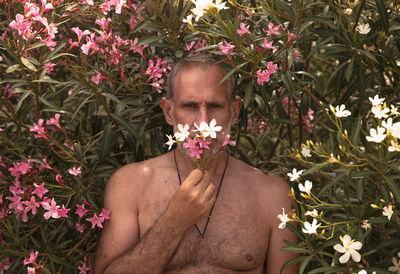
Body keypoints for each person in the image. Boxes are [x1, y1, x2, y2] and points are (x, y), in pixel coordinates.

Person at [94, 55, 298, 273]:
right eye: (190, 106)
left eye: (215, 106)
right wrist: (173, 222)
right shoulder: (130, 185)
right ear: (168, 112)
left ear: (235, 111)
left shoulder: (273, 195)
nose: (202, 123)